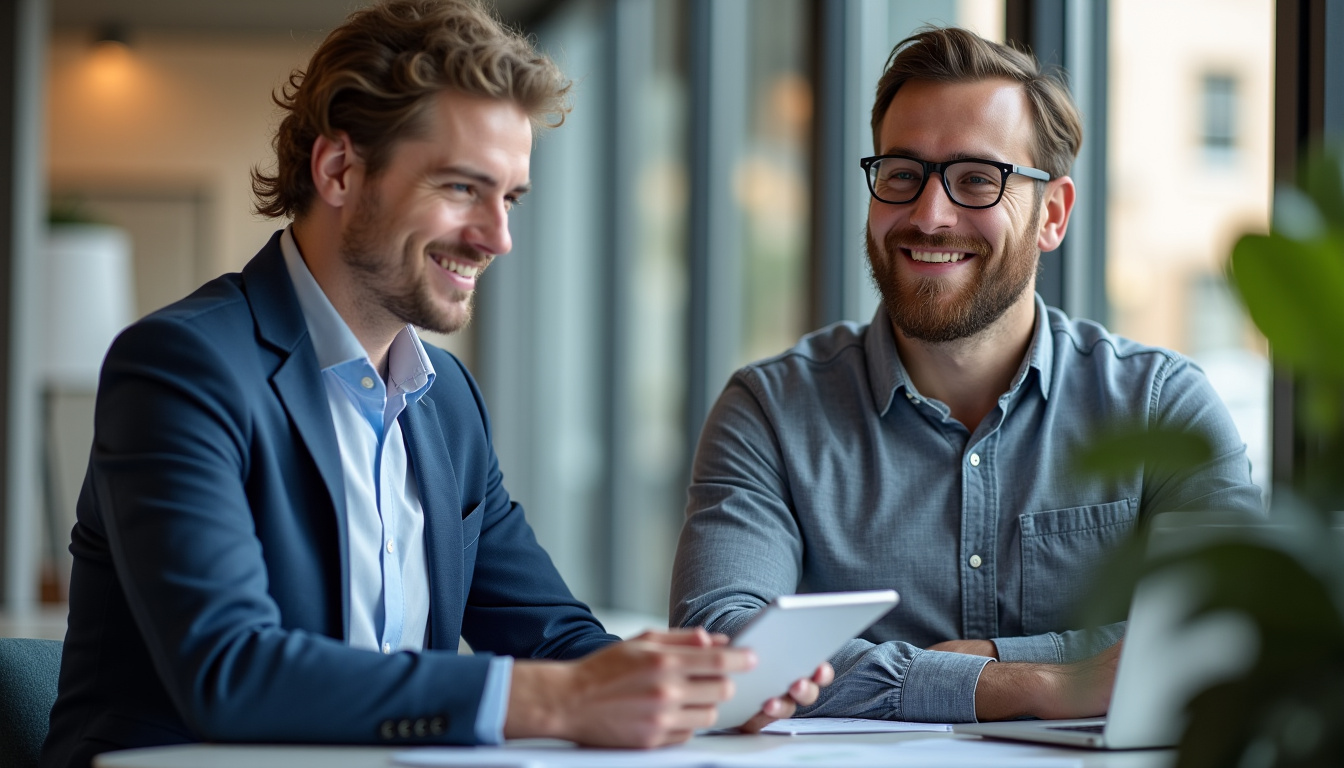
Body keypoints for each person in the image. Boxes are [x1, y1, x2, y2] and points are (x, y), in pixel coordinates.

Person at [40, 3, 828, 766]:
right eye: (461, 188)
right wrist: (556, 701)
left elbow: (551, 636)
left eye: (509, 196)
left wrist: (706, 692)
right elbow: (230, 670)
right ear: (340, 169)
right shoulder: (182, 365)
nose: (498, 237)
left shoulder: (445, 398)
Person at [670, 26, 1263, 725]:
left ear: (1054, 214)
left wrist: (984, 654)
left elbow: (1231, 629)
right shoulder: (770, 410)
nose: (929, 214)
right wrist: (1029, 684)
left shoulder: (1162, 407)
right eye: (901, 175)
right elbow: (725, 649)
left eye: (978, 180)